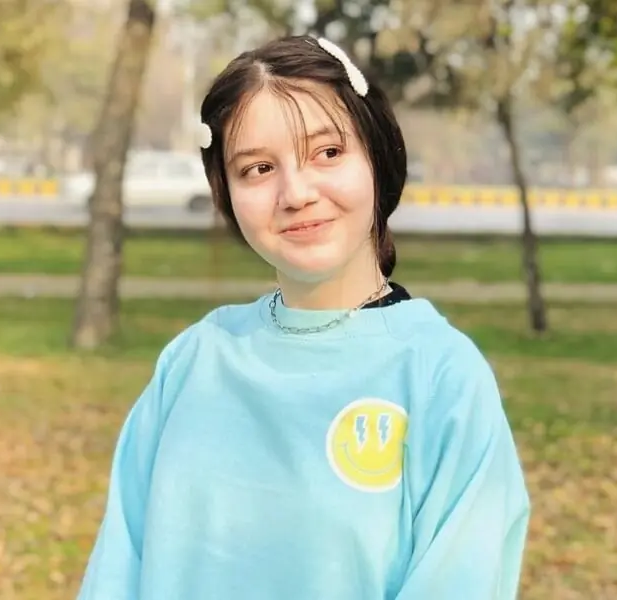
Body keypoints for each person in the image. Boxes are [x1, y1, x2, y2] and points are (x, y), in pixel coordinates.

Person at [77, 34, 530, 600]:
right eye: (258, 168)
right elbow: (118, 570)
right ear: (226, 192)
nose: (295, 193)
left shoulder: (442, 376)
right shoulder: (194, 359)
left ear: (377, 155)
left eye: (328, 153)